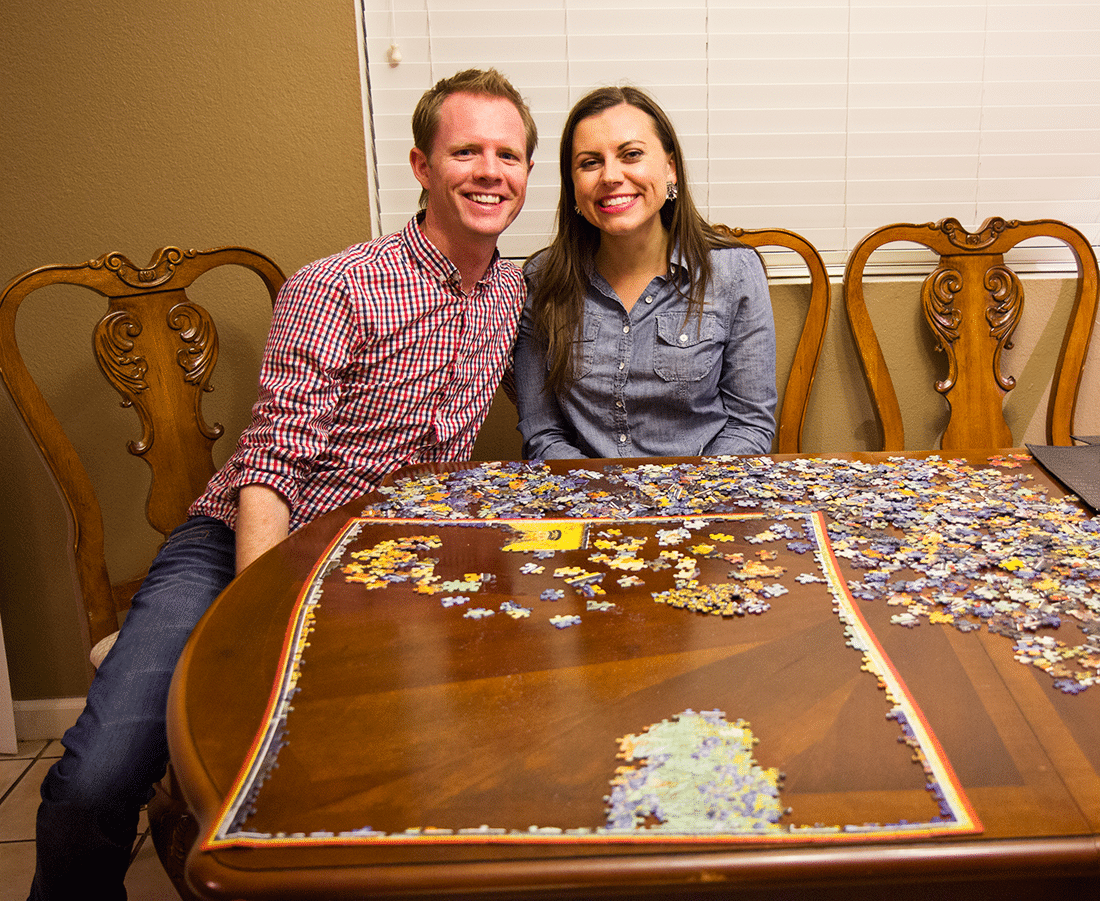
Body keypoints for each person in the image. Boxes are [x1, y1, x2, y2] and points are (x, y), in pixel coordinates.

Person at [29, 67, 536, 900]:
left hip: (397, 556)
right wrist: (257, 618)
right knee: (94, 779)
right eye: (466, 150)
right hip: (252, 537)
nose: (490, 171)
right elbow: (273, 464)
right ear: (420, 165)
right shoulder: (334, 285)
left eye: (508, 154)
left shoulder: (511, 289)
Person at [514, 85, 776, 460]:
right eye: (590, 162)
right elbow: (543, 435)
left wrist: (686, 499)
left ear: (670, 167)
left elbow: (749, 425)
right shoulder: (543, 279)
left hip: (703, 499)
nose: (610, 176)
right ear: (573, 187)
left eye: (631, 155)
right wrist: (603, 497)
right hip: (584, 501)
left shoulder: (734, 272)